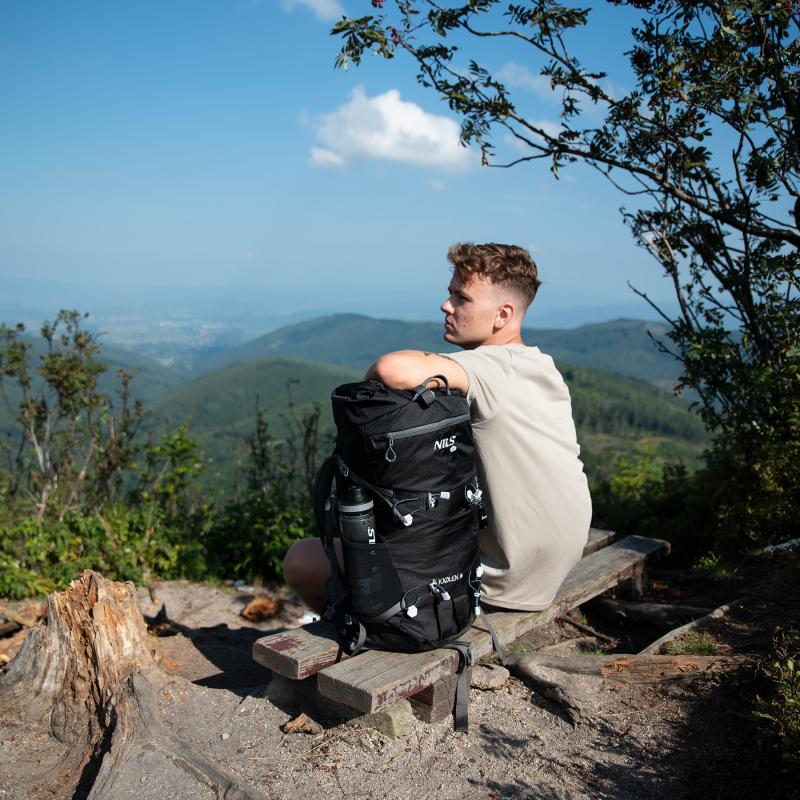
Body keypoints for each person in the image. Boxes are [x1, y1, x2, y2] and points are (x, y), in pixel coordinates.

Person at [283, 242, 591, 613]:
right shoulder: (542, 367)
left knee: (302, 559)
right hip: (549, 567)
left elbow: (393, 369)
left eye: (462, 298)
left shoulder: (492, 368)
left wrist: (367, 398)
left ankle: (359, 633)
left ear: (503, 314)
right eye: (450, 294)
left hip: (496, 581)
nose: (446, 306)